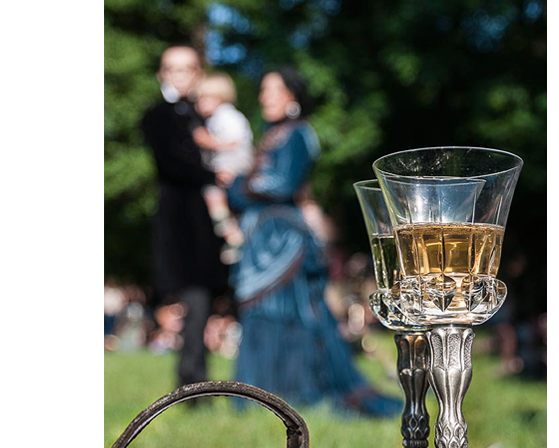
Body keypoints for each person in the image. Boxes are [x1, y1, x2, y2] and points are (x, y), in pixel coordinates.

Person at [226, 67, 400, 417]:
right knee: (264, 313)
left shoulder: (299, 135)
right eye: (263, 90)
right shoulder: (273, 136)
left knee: (291, 314)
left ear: (293, 95)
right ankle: (263, 395)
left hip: (283, 244)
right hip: (263, 240)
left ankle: (296, 391)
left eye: (273, 90)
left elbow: (281, 185)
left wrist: (237, 187)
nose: (264, 97)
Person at [139, 45, 227, 389]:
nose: (181, 76)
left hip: (204, 222)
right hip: (180, 221)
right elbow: (173, 164)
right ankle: (191, 381)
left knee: (202, 297)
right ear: (164, 74)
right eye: (173, 69)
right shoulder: (158, 116)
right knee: (189, 296)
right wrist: (211, 175)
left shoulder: (206, 114)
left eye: (188, 68)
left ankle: (197, 378)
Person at [192, 72, 253, 260]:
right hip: (227, 164)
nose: (199, 104)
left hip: (235, 161)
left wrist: (208, 141)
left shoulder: (227, 115)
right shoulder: (215, 119)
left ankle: (232, 234)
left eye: (203, 99)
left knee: (214, 195)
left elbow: (236, 143)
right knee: (213, 196)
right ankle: (232, 234)